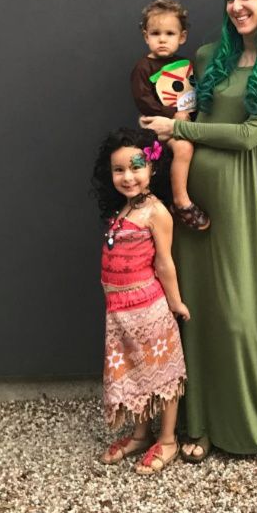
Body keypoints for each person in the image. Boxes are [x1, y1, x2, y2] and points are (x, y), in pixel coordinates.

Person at [141, 0, 257, 471]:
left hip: (242, 196)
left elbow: (251, 135)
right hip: (190, 198)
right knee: (197, 310)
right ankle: (201, 423)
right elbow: (181, 105)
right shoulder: (208, 53)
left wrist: (182, 132)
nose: (237, 7)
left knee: (242, 315)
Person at [91, 127, 189, 474]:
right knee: (134, 372)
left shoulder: (155, 212)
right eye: (119, 170)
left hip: (148, 310)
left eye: (136, 167)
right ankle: (140, 433)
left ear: (152, 168)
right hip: (119, 313)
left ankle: (167, 439)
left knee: (162, 375)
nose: (128, 177)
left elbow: (164, 261)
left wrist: (176, 303)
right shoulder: (123, 210)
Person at [131, 0, 209, 230]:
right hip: (159, 127)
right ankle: (181, 202)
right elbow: (143, 100)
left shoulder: (186, 64)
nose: (162, 39)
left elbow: (194, 92)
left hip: (187, 123)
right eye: (155, 33)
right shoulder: (143, 68)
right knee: (183, 147)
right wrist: (171, 114)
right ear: (146, 36)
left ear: (182, 37)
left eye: (169, 33)